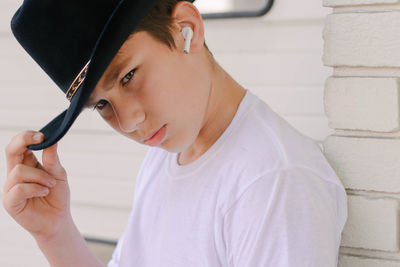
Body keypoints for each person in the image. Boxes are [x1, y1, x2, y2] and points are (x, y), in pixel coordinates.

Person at [2, 0, 348, 266]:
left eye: (128, 76)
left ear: (187, 29)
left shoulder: (273, 181)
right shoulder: (166, 157)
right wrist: (53, 233)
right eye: (102, 105)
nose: (128, 122)